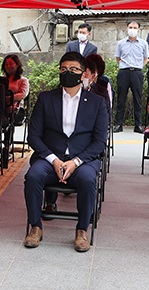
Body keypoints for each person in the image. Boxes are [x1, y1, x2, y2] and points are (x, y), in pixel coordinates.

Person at [23, 52, 108, 252]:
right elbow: (33, 136)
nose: (67, 73)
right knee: (33, 176)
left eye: (73, 70)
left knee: (88, 180)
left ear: (83, 73)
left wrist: (75, 162)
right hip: (50, 158)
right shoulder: (46, 98)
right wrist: (53, 160)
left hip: (82, 161)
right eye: (63, 69)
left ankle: (81, 230)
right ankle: (35, 227)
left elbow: (99, 142)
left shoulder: (97, 102)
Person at [114, 20, 147, 133]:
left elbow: (146, 58)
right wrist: (125, 66)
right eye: (130, 27)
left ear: (139, 29)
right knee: (121, 99)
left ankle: (138, 125)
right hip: (124, 72)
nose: (132, 29)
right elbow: (118, 58)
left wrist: (138, 67)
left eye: (135, 27)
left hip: (137, 72)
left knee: (137, 99)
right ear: (127, 28)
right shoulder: (121, 43)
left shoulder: (143, 43)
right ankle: (119, 124)